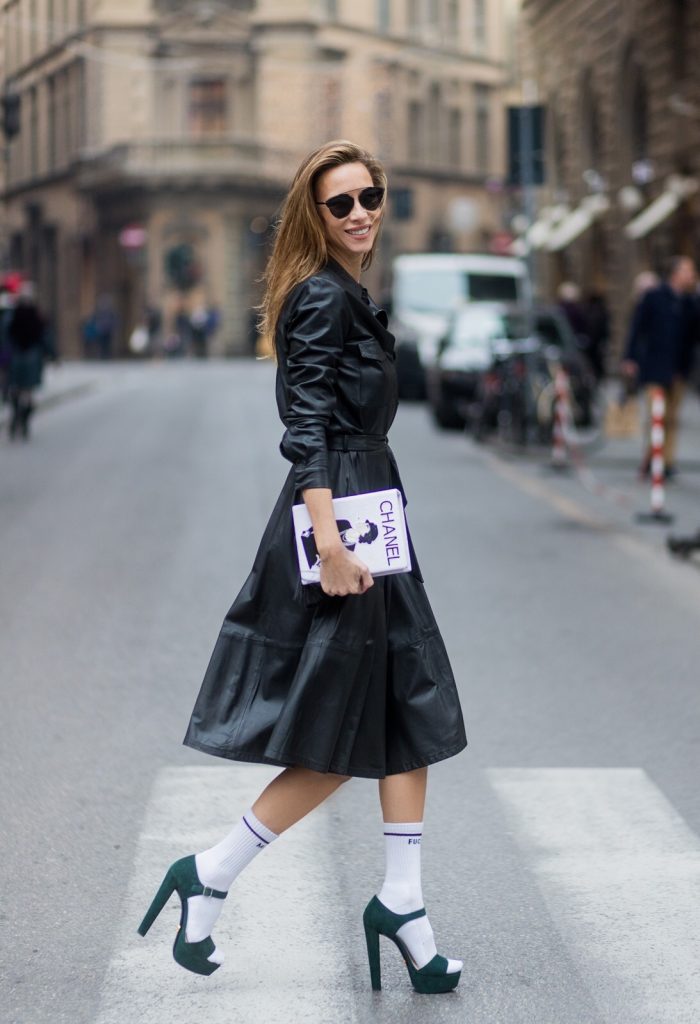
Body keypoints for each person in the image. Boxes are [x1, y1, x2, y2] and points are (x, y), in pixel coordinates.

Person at [137, 140, 468, 994]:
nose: (360, 213)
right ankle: (209, 872)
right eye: (340, 203)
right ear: (312, 216)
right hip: (342, 518)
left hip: (369, 506)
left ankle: (404, 905)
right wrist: (329, 543)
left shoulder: (349, 293)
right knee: (339, 722)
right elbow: (309, 424)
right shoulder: (322, 298)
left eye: (371, 196)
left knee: (407, 706)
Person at [622, 256, 699, 477]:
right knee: (656, 416)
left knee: (672, 419)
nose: (691, 275)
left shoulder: (689, 301)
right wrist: (630, 358)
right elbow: (637, 329)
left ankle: (667, 462)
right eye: (688, 270)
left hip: (679, 369)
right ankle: (651, 458)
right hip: (654, 367)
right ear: (675, 273)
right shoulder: (654, 297)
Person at [6, 282, 47, 440]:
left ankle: (18, 417)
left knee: (16, 390)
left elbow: (8, 335)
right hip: (30, 355)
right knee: (28, 392)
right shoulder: (36, 315)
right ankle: (23, 420)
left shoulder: (14, 314)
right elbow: (42, 337)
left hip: (18, 355)